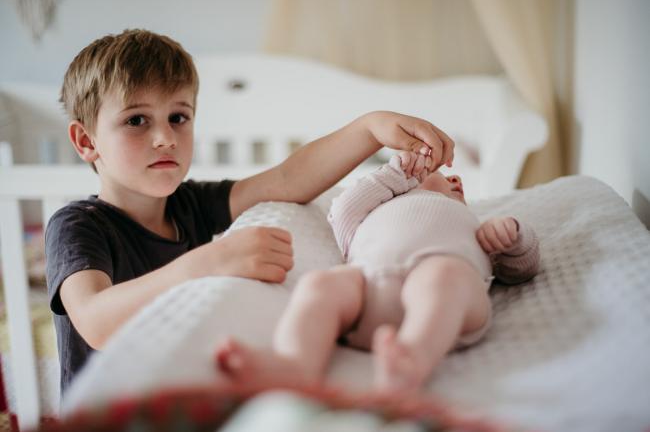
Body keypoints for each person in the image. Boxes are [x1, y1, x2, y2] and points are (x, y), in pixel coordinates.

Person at [44, 29, 455, 394]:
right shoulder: (77, 225)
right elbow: (96, 322)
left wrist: (369, 128)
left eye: (178, 117)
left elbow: (287, 181)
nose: (165, 137)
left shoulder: (189, 205)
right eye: (136, 120)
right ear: (86, 141)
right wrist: (209, 261)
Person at [215, 151, 540, 393]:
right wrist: (394, 175)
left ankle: (412, 357)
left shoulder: (476, 226)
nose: (456, 180)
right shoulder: (368, 214)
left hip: (443, 299)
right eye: (438, 173)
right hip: (367, 293)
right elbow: (342, 208)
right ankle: (295, 362)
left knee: (443, 277)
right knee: (321, 284)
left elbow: (520, 270)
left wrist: (513, 236)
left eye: (456, 180)